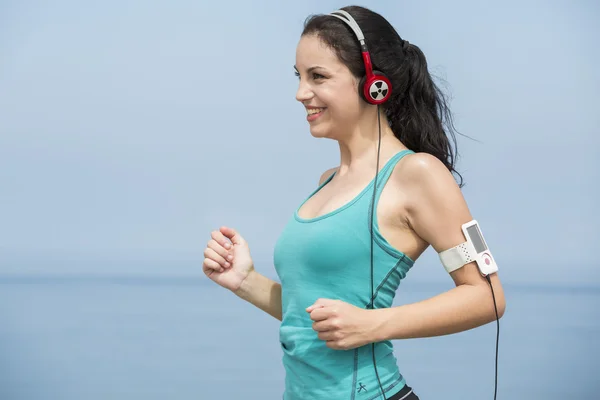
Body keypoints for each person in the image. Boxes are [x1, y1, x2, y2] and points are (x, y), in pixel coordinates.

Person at [202, 5, 506, 400]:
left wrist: (375, 324)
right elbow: (317, 318)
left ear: (373, 84)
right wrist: (245, 281)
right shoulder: (325, 182)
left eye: (318, 77)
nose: (300, 93)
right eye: (299, 77)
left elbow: (487, 295)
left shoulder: (418, 174)